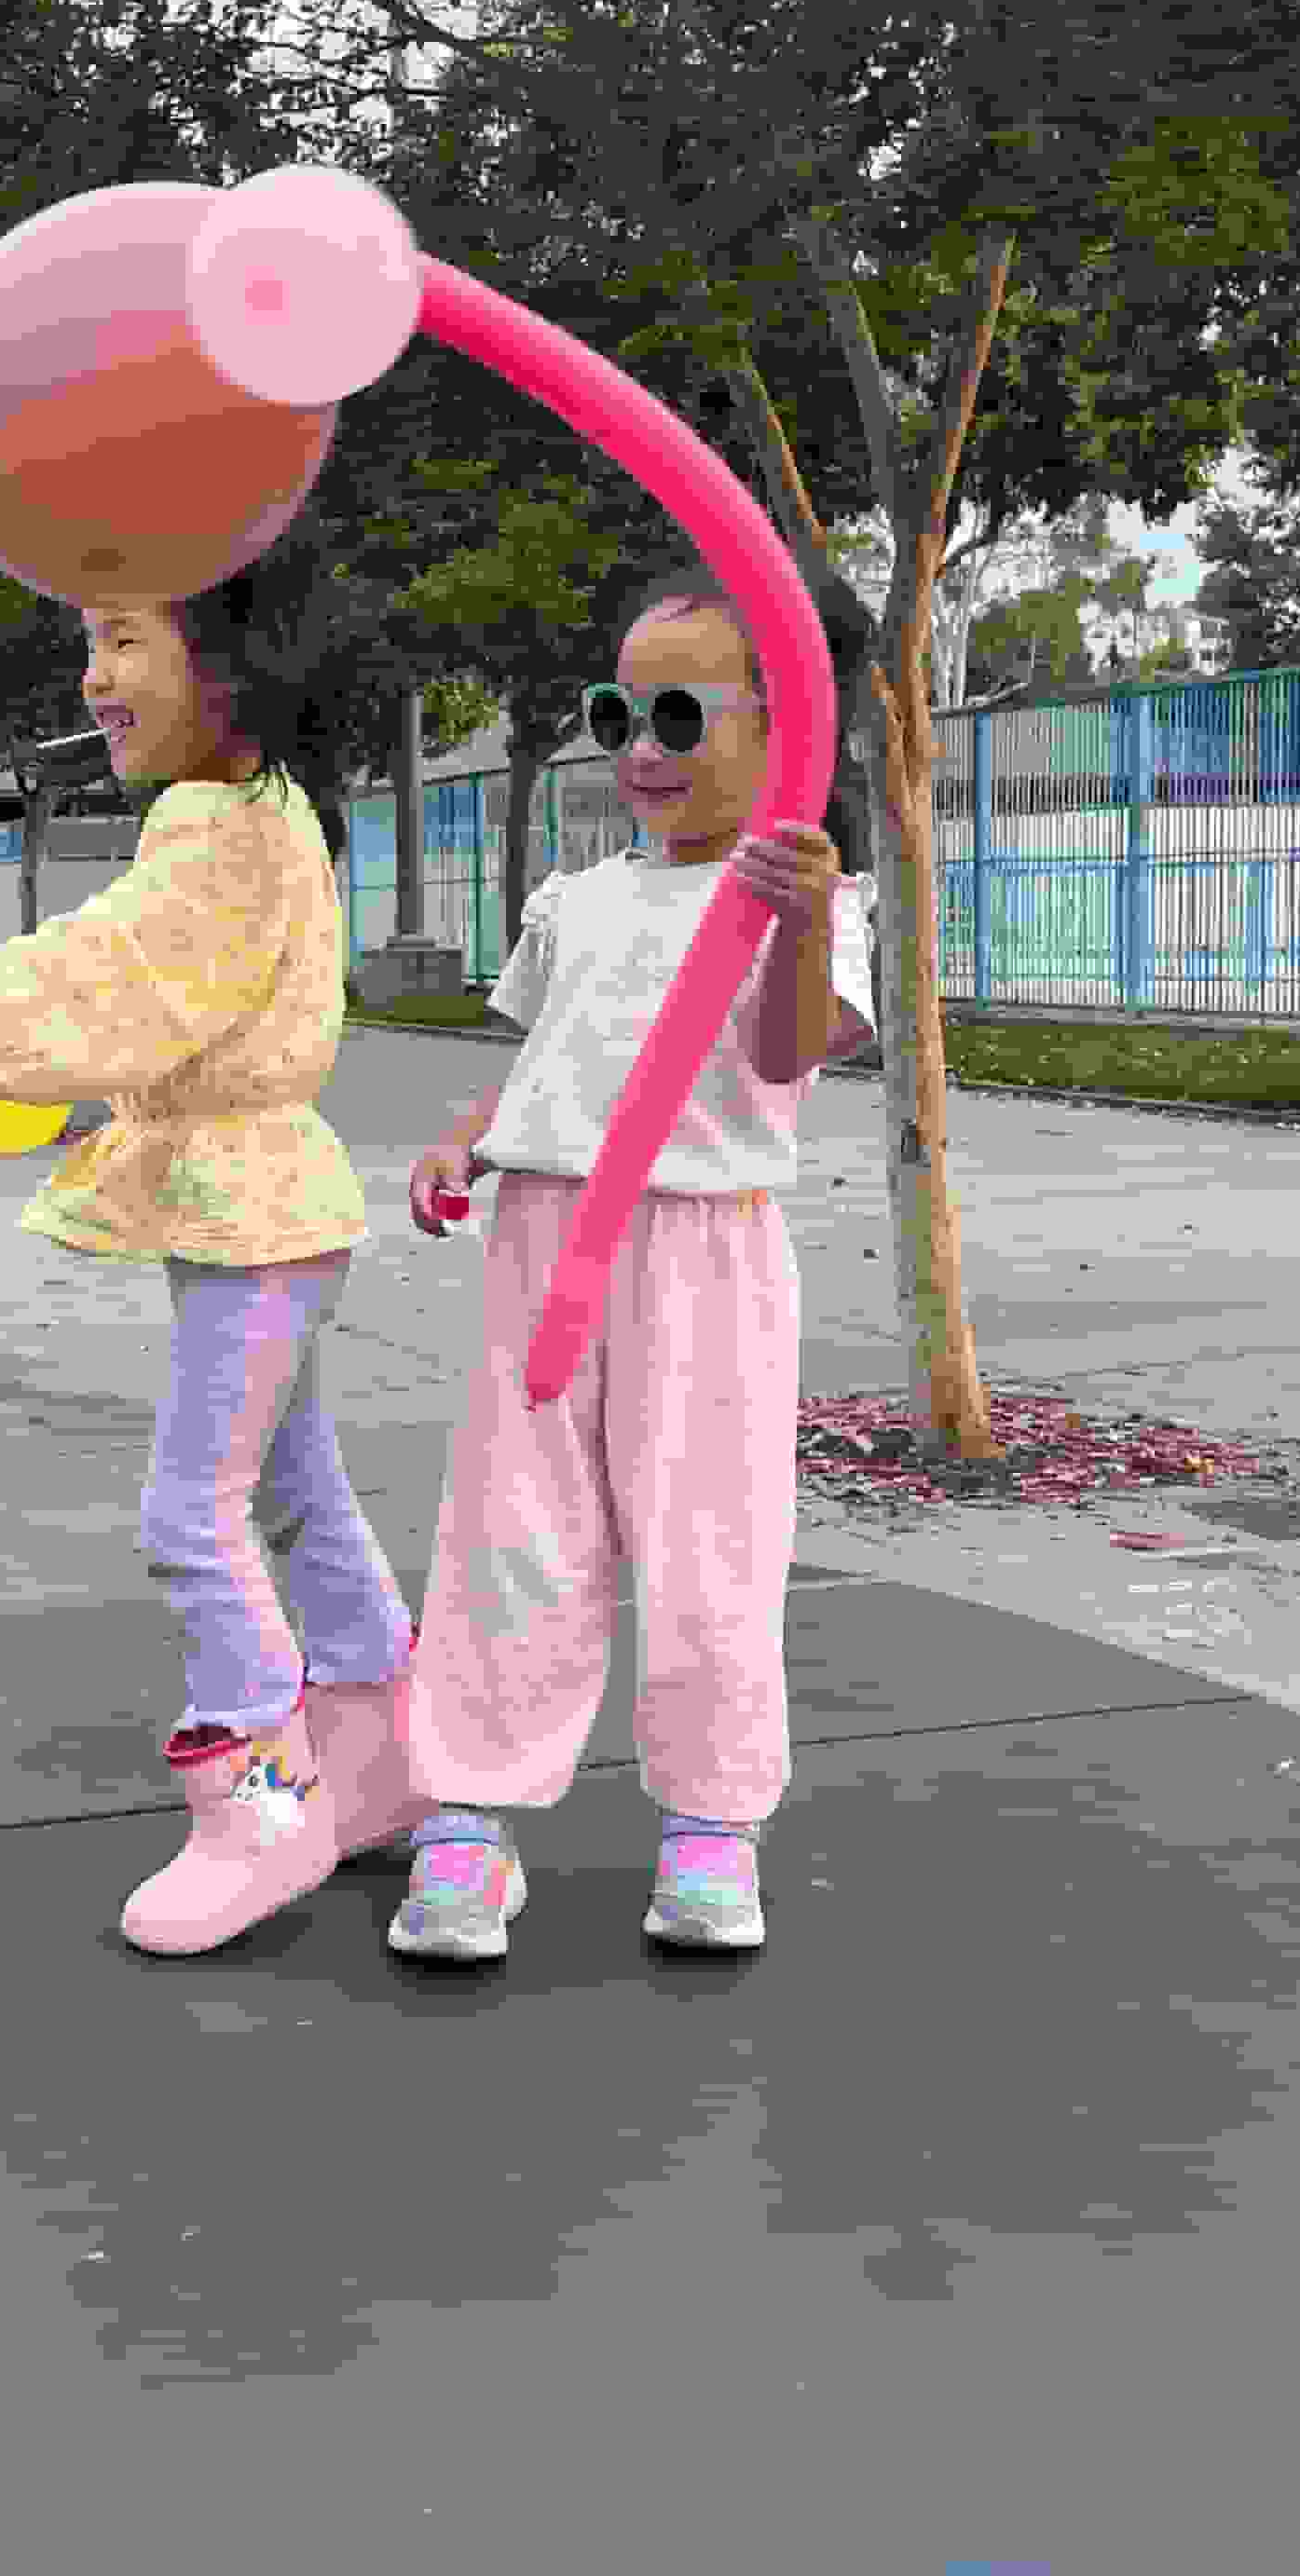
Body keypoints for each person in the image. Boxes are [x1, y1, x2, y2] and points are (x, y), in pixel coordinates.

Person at [0, 545, 431, 1956]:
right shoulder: (264, 807)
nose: (94, 677)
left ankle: (262, 1802)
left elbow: (110, 971)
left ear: (233, 660)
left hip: (253, 1211)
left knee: (191, 1513)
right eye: (89, 642)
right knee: (293, 1488)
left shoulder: (220, 826)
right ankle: (382, 1751)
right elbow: (143, 987)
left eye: (125, 640)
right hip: (272, 1205)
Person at [387, 563, 877, 1964]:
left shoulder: (808, 900)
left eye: (678, 715)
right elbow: (549, 1063)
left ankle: (713, 1824)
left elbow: (782, 1059)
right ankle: (470, 1811)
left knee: (709, 1539)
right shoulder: (579, 899)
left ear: (787, 728)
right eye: (618, 715)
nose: (642, 750)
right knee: (508, 1531)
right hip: (547, 1240)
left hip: (704, 1247)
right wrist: (469, 1141)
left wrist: (799, 922)